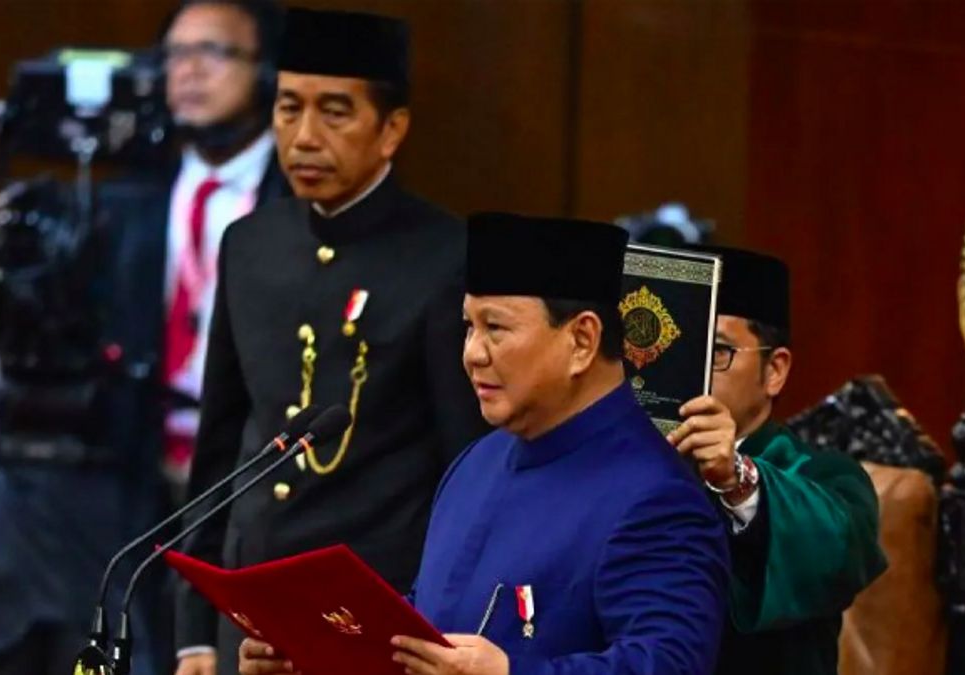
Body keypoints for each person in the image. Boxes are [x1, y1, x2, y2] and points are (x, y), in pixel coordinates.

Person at [0, 3, 286, 674]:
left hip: (246, 474)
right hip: (125, 468)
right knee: (8, 506)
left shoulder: (298, 197)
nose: (188, 72)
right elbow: (45, 317)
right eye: (174, 56)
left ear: (266, 74)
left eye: (214, 52)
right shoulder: (117, 203)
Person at [240, 213, 731, 674]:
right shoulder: (478, 462)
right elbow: (427, 631)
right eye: (468, 326)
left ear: (581, 340)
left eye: (495, 328)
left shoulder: (655, 496)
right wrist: (313, 654)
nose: (472, 354)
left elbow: (669, 664)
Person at [175, 8, 486, 675]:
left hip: (374, 606)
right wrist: (194, 630)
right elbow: (222, 442)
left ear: (391, 129)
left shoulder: (445, 256)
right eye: (289, 108)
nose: (304, 136)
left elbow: (467, 465)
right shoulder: (250, 243)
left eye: (335, 112)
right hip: (252, 610)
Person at [666, 245, 885, 675]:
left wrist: (735, 480)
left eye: (717, 352)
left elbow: (840, 553)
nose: (692, 371)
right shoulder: (632, 463)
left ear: (775, 371)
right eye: (679, 348)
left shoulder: (824, 474)